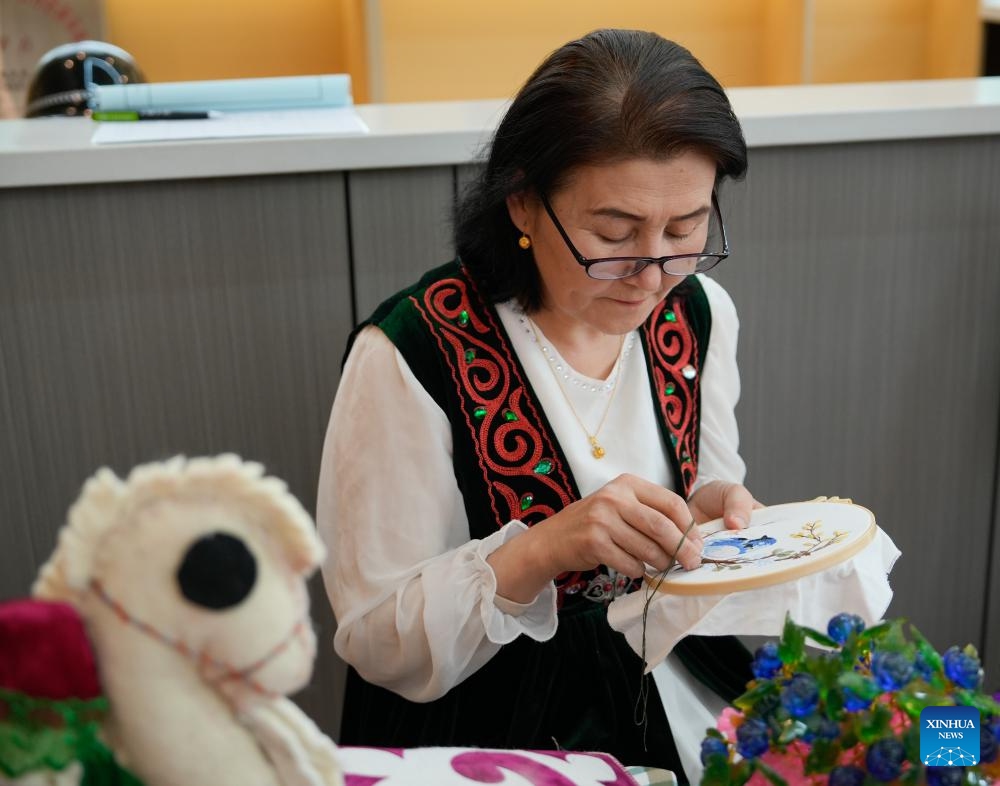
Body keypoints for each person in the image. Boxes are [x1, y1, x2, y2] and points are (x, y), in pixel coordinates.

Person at [318, 28, 758, 780]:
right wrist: (547, 547)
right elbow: (376, 638)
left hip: (669, 678)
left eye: (684, 229)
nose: (652, 275)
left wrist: (708, 507)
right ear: (523, 204)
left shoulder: (698, 313)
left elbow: (706, 483)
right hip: (489, 726)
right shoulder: (416, 352)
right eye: (613, 235)